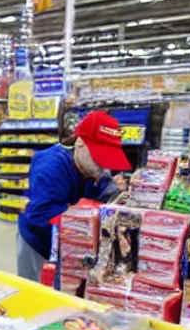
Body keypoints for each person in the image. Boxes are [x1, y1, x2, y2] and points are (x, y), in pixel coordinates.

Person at [16, 110, 129, 283]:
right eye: (100, 154)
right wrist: (90, 212)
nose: (104, 162)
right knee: (33, 294)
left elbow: (107, 194)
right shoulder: (51, 165)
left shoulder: (93, 169)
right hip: (38, 244)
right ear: (80, 142)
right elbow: (44, 215)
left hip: (69, 247)